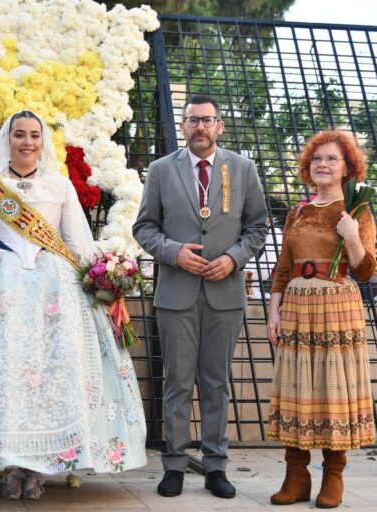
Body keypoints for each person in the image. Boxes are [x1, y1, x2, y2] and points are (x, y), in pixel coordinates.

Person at [0, 110, 147, 500]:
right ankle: (8, 463)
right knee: (1, 374)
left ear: (43, 142)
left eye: (35, 135)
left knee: (49, 374)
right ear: (7, 140)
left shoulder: (60, 185)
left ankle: (39, 466)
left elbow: (78, 241)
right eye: (19, 135)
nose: (28, 142)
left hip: (54, 292)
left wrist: (104, 280)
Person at [133, 93, 268, 499]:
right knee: (176, 382)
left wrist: (233, 258)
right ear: (184, 126)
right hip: (176, 294)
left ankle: (215, 466)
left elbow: (258, 228)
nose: (200, 127)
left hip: (225, 294)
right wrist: (173, 253)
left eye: (207, 120)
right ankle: (174, 464)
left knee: (215, 384)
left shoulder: (242, 169)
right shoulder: (160, 170)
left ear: (219, 126)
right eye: (193, 121)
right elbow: (144, 228)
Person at [266, 130, 377, 508]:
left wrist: (351, 237)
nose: (323, 165)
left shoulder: (357, 211)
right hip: (297, 307)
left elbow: (365, 270)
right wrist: (273, 311)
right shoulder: (298, 211)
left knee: (332, 391)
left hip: (337, 307)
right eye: (317, 159)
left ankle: (334, 475)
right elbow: (283, 267)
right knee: (298, 388)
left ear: (347, 168)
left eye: (331, 159)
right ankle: (295, 476)